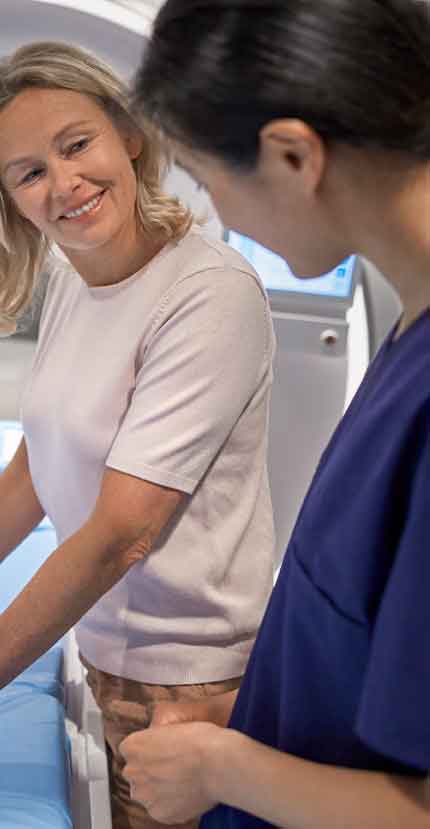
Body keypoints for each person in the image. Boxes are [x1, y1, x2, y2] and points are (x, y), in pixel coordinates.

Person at [0, 41, 276, 827]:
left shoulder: (209, 296)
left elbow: (120, 535)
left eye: (77, 144)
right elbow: (35, 470)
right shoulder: (71, 270)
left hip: (186, 681)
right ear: (7, 199)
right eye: (29, 172)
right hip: (97, 645)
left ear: (127, 135)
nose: (64, 184)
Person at [119, 2, 430, 827]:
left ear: (293, 156)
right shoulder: (410, 325)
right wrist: (253, 713)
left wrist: (223, 769)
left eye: (204, 175)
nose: (216, 212)